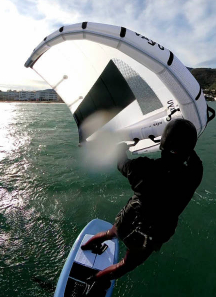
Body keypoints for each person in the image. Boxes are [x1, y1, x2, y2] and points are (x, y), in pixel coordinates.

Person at [80, 118, 204, 282]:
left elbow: (121, 163)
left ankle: (86, 246)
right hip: (153, 232)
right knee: (124, 264)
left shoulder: (143, 168)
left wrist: (121, 150)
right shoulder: (193, 175)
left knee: (111, 233)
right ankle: (93, 280)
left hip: (130, 218)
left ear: (163, 143)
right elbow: (193, 159)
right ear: (188, 149)